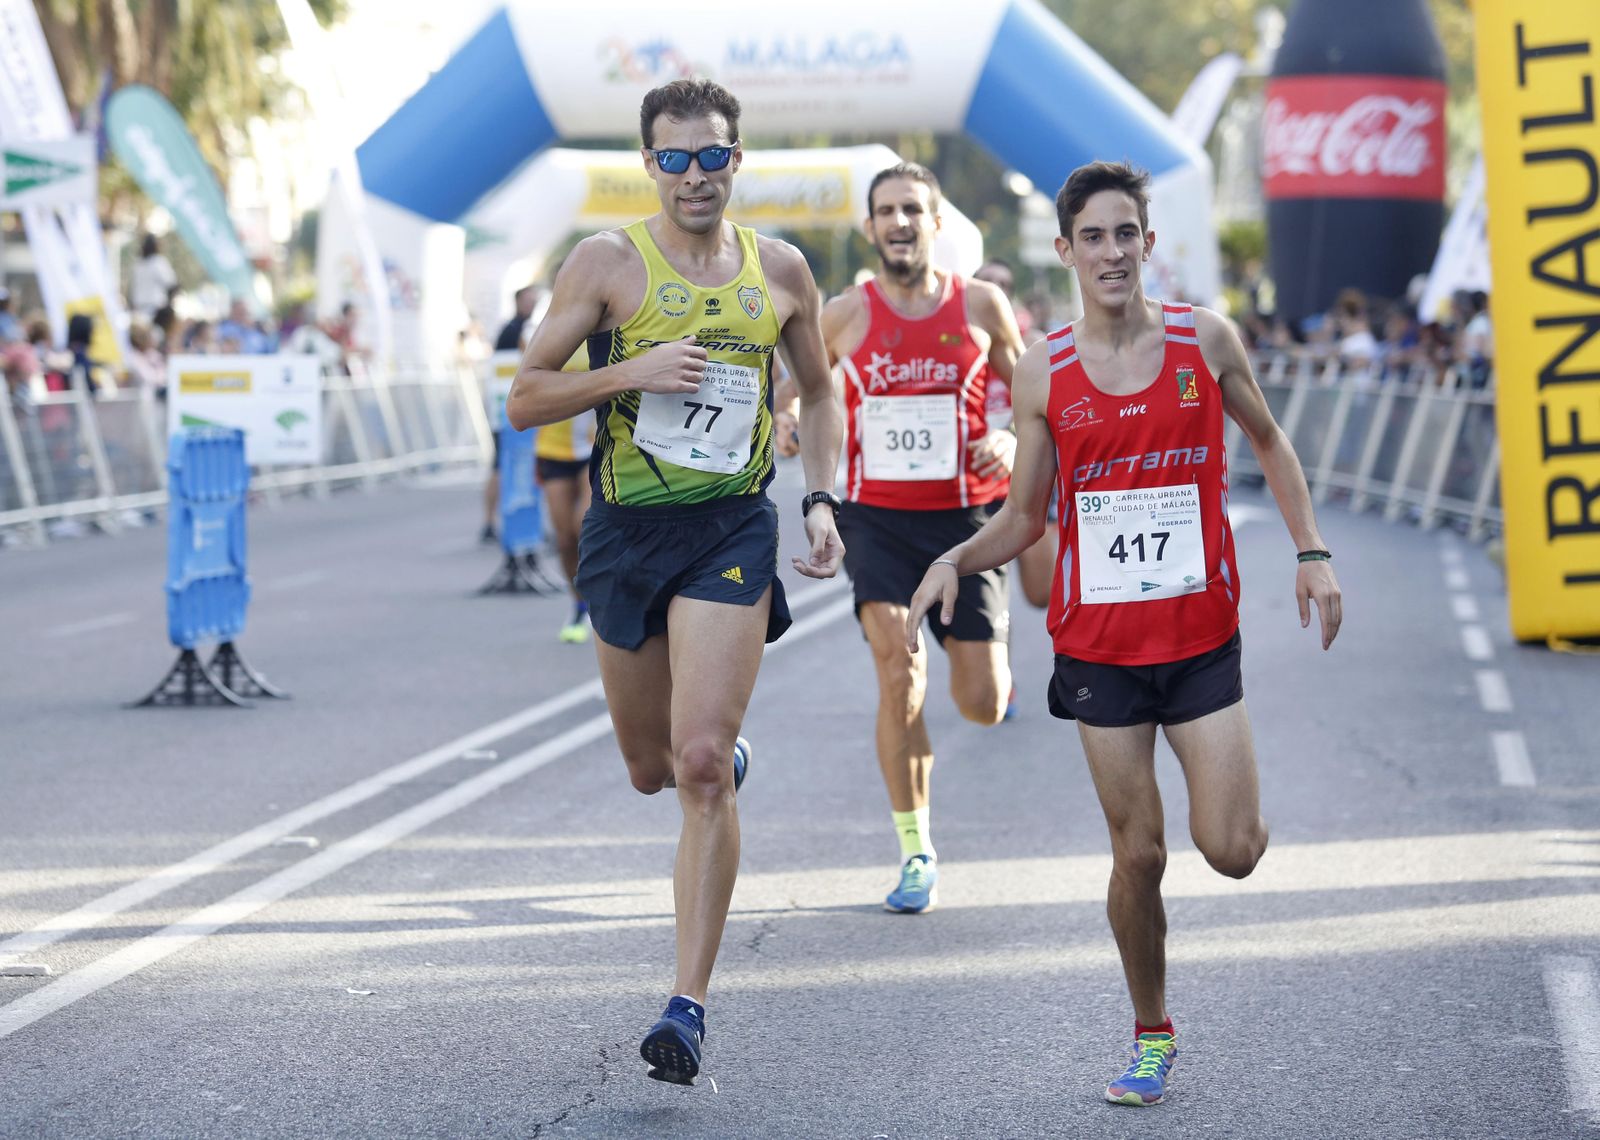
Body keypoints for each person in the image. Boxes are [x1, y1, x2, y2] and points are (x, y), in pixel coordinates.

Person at [905, 161, 1342, 1108]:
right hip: (1099, 647)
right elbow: (1025, 516)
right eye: (1093, 237)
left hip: (1198, 640)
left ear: (1148, 241)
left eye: (1126, 233)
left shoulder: (1205, 341)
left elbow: (1268, 440)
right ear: (1065, 251)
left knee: (1232, 848)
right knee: (1137, 854)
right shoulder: (1044, 369)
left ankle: (1227, 835)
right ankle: (1151, 1032)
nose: (1111, 251)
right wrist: (954, 559)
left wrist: (1311, 549)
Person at [504, 78, 844, 1086]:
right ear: (650, 165)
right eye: (675, 159)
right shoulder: (607, 263)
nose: (695, 176)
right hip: (624, 534)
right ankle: (712, 771)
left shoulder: (780, 271)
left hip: (729, 530)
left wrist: (821, 499)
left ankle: (686, 1007)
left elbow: (819, 395)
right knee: (651, 769)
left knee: (697, 761)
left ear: (736, 162)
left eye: (713, 157)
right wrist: (628, 373)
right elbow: (526, 396)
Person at [801, 162, 1022, 914]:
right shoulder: (844, 314)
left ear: (936, 224)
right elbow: (793, 383)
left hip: (966, 524)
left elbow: (1034, 401)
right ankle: (916, 847)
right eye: (886, 212)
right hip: (877, 519)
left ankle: (987, 653)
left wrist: (1013, 439)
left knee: (983, 704)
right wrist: (801, 434)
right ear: (871, 228)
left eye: (912, 211)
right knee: (899, 674)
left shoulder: (983, 306)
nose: (899, 223)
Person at [974, 258, 1058, 611]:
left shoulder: (1033, 345)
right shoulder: (959, 346)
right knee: (978, 607)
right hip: (973, 487)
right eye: (987, 283)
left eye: (1004, 284)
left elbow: (1058, 412)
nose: (997, 291)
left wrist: (1011, 436)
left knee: (1043, 593)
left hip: (1026, 483)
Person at [535, 341, 597, 643]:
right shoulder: (547, 338)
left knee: (582, 525)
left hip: (591, 448)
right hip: (552, 451)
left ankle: (601, 597)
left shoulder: (601, 333)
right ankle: (577, 604)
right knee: (564, 538)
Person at [129, 233, 177, 320]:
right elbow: (171, 283)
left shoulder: (138, 264)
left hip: (138, 308)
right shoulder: (158, 261)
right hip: (155, 308)